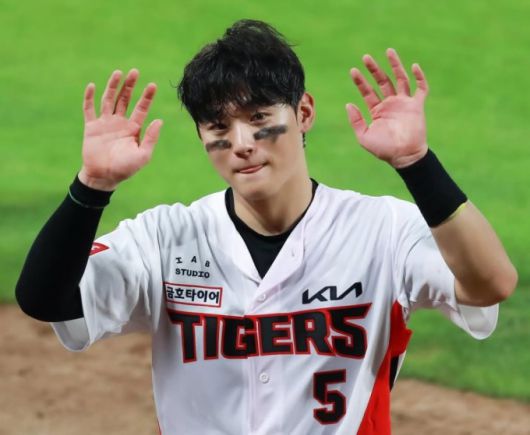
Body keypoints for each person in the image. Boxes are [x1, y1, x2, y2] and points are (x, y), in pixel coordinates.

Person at [16, 19, 517, 434]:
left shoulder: (383, 230)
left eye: (259, 117)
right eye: (218, 126)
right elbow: (45, 300)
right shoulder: (165, 238)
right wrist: (92, 186)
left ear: (303, 113)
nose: (241, 143)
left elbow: (491, 283)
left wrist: (416, 163)